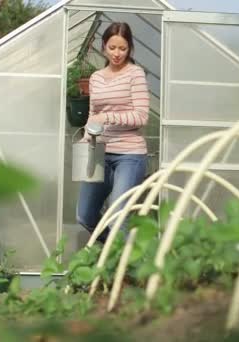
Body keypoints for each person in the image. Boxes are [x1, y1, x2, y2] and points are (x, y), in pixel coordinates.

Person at [76, 22, 149, 244]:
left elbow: (141, 117)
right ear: (103, 46)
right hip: (100, 153)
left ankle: (122, 270)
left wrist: (107, 118)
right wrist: (86, 136)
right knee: (85, 215)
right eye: (112, 47)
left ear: (130, 49)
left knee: (118, 217)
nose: (117, 54)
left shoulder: (135, 74)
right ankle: (116, 251)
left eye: (123, 48)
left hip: (129, 155)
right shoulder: (96, 77)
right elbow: (93, 114)